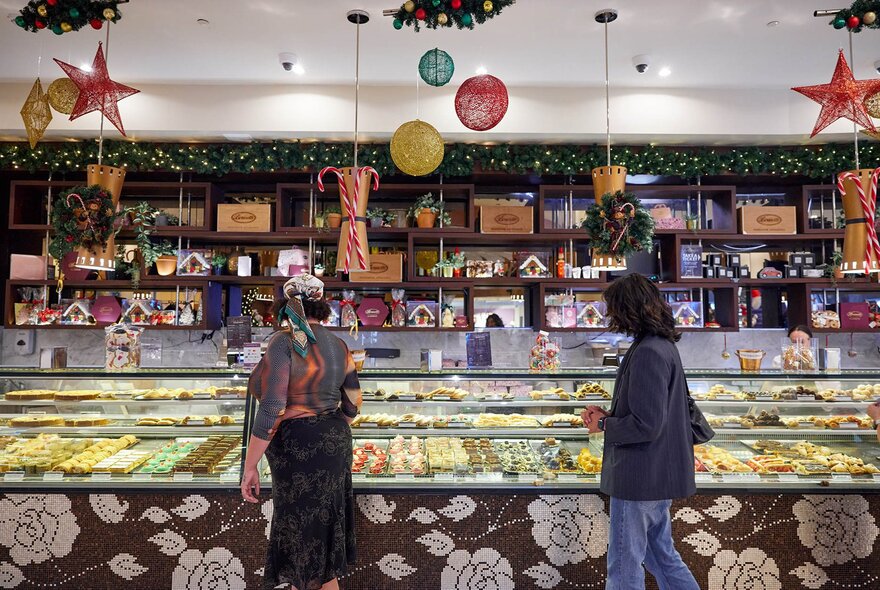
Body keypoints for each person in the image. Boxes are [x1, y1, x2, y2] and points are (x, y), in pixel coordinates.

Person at [241, 274, 362, 590]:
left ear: (285, 306)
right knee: (319, 539)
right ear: (322, 306)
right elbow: (352, 405)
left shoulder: (282, 342)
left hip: (297, 448)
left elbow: (272, 408)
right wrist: (327, 428)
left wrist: (250, 466)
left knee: (301, 540)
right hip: (335, 441)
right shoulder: (339, 345)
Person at [582, 273, 699, 590]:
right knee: (662, 557)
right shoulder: (662, 345)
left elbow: (646, 424)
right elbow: (651, 413)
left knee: (624, 565)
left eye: (613, 308)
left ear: (627, 308)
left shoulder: (648, 351)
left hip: (639, 476)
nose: (610, 315)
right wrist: (611, 415)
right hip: (656, 474)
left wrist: (603, 424)